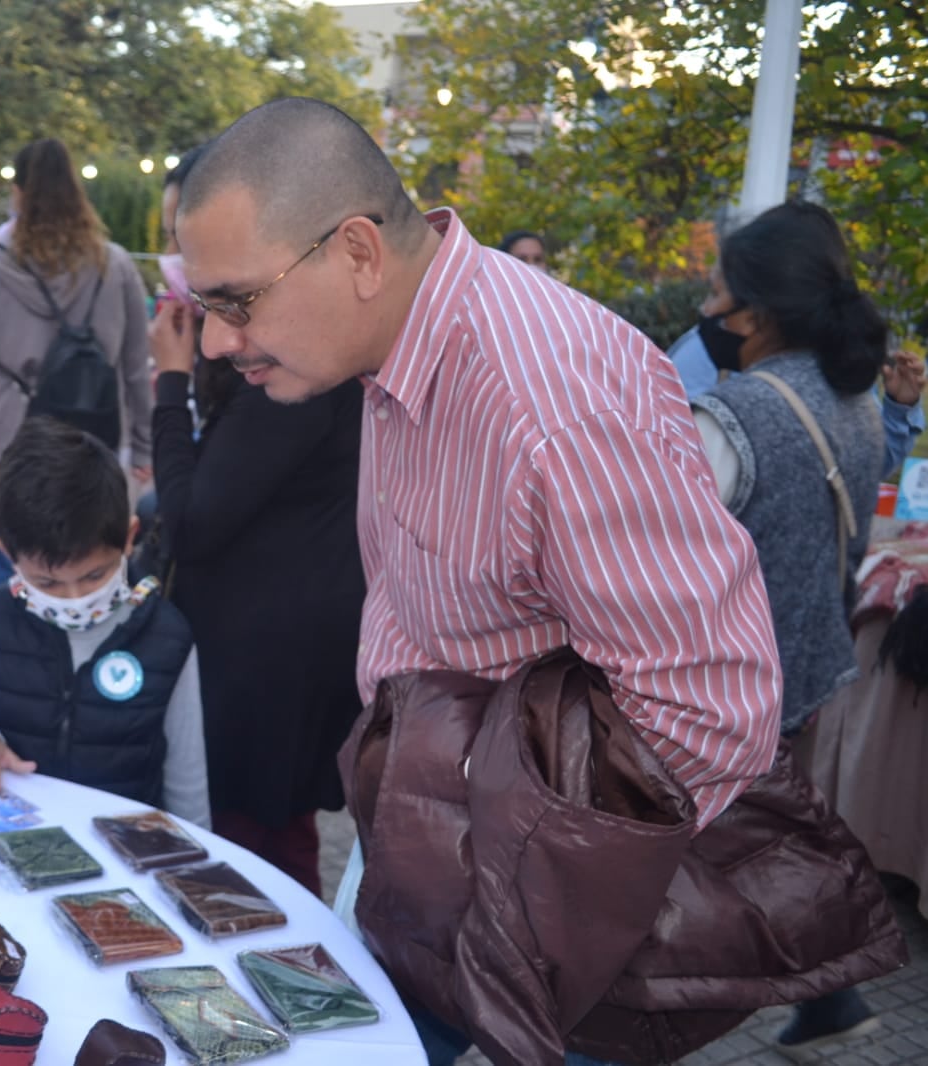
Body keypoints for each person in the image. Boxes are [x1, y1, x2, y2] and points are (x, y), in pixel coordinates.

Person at [175, 97, 781, 1066]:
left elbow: (708, 709)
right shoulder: (398, 346)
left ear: (359, 254)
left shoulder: (545, 403)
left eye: (235, 301)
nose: (211, 341)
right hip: (435, 849)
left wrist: (517, 906)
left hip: (540, 911)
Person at [690, 201, 888, 1058]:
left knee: (712, 851)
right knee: (766, 836)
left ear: (759, 312)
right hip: (804, 663)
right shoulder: (854, 397)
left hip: (721, 682)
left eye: (717, 294)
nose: (707, 314)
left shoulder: (733, 414)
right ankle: (833, 995)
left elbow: (656, 561)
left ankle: (644, 1019)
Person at [148, 146, 363, 897]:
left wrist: (169, 384)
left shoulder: (296, 362)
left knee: (244, 853)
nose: (184, 271)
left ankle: (271, 989)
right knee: (278, 833)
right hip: (293, 633)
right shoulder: (307, 340)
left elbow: (192, 522)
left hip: (268, 655)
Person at [0, 416, 210, 827]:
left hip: (124, 844)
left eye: (94, 575)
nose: (75, 598)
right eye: (47, 582)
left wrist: (196, 851)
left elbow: (187, 770)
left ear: (129, 538)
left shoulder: (167, 636)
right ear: (7, 554)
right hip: (16, 834)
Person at [0, 140, 153, 585]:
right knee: (89, 570)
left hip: (2, 441)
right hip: (92, 441)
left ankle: (9, 652)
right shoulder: (116, 265)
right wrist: (142, 445)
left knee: (6, 571)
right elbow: (135, 367)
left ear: (17, 192)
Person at [670, 321, 923, 472]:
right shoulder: (703, 349)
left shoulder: (840, 356)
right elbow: (664, 459)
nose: (711, 308)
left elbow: (870, 465)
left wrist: (899, 408)